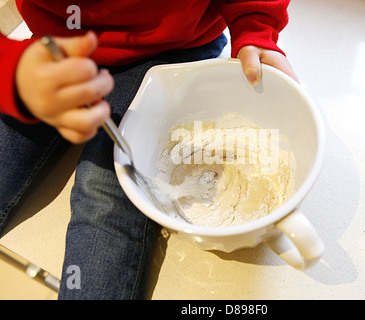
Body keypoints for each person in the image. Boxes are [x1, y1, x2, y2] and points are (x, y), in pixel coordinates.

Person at [0, 0, 298, 299]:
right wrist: (10, 71)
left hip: (172, 46)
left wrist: (255, 25)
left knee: (104, 195)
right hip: (51, 47)